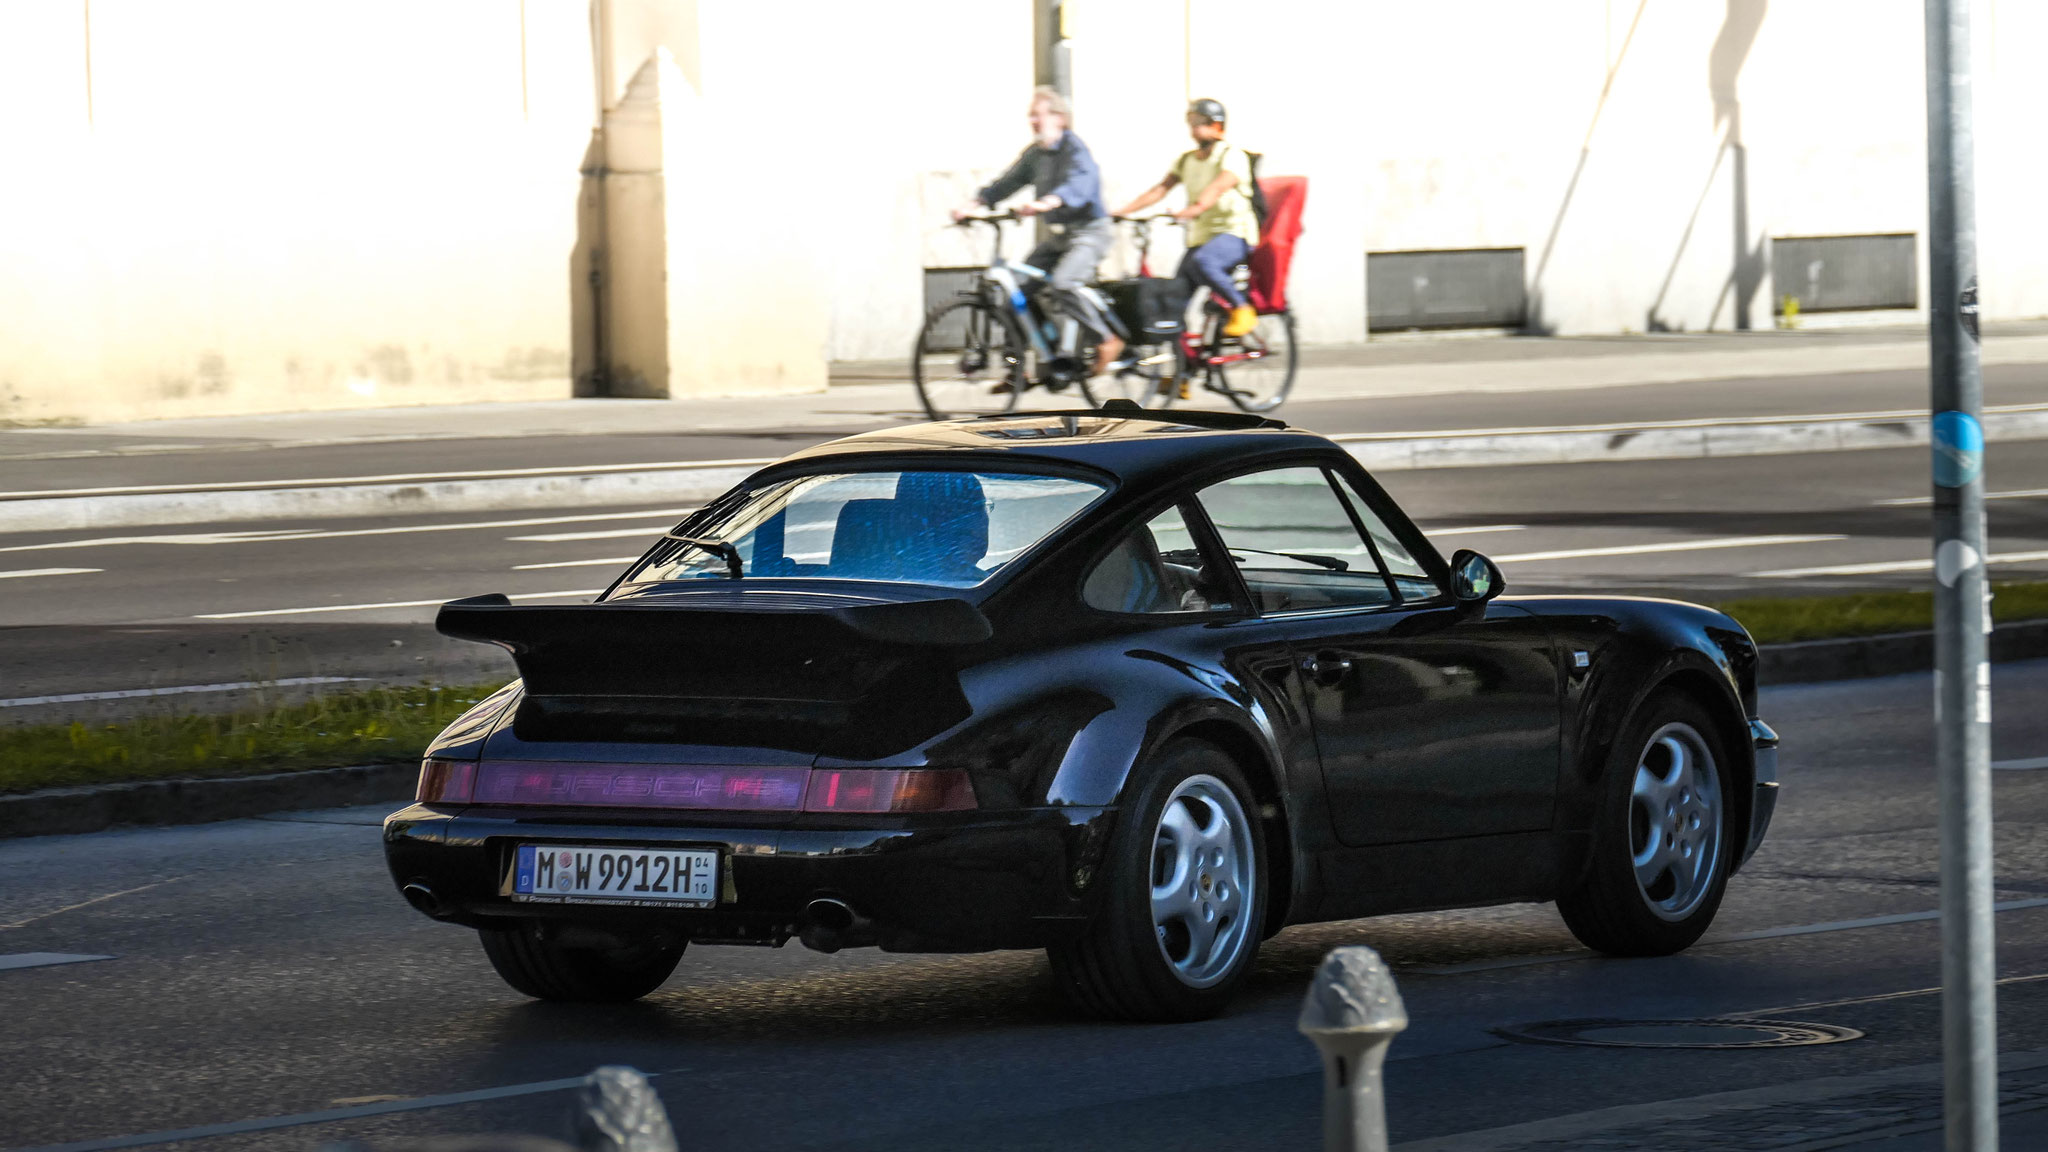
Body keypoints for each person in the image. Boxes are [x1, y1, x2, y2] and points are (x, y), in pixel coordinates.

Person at [954, 87, 1123, 377]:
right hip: (1059, 236)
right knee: (1015, 291)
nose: (1032, 121)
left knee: (1063, 283)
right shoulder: (1037, 154)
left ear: (1059, 118)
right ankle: (1032, 365)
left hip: (1090, 233)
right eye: (1030, 115)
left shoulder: (1074, 150)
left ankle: (1107, 340)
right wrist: (974, 204)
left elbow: (1080, 185)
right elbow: (1008, 182)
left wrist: (1047, 202)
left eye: (1038, 115)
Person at [1114, 97, 1261, 338]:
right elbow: (1159, 190)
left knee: (1204, 262)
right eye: (1191, 122)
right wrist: (1122, 211)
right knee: (1174, 299)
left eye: (1201, 122)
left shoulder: (1232, 156)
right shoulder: (1186, 160)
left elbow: (1215, 190)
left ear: (1217, 125)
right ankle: (1183, 370)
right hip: (1201, 238)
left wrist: (1189, 211)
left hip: (1234, 234)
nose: (1195, 128)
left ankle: (1242, 308)